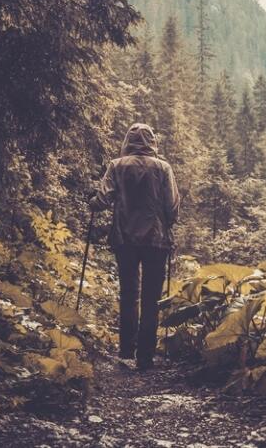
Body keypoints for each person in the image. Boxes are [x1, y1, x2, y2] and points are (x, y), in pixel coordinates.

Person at [90, 123, 179, 370]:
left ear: (128, 140)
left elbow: (102, 199)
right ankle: (146, 356)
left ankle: (127, 350)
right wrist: (169, 222)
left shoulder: (117, 166)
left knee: (129, 293)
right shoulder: (163, 168)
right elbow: (172, 206)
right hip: (156, 239)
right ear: (152, 141)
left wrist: (92, 202)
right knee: (152, 297)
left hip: (124, 238)